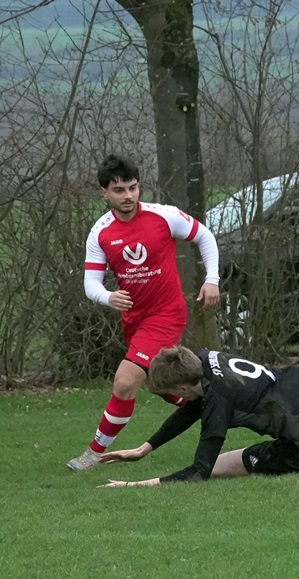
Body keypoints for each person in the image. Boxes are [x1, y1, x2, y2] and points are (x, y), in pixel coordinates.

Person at [67, 154, 221, 471]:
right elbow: (90, 283)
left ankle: (93, 453)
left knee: (125, 382)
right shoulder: (101, 232)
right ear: (104, 193)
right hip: (134, 320)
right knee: (158, 382)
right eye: (119, 190)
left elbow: (204, 236)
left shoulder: (163, 216)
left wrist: (212, 280)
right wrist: (108, 297)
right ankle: (211, 403)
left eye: (133, 188)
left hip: (166, 314)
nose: (128, 196)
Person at [97, 346, 299, 486]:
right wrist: (146, 447)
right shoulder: (204, 359)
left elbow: (199, 472)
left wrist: (135, 484)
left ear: (182, 386)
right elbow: (192, 407)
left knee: (223, 465)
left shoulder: (218, 399)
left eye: (174, 393)